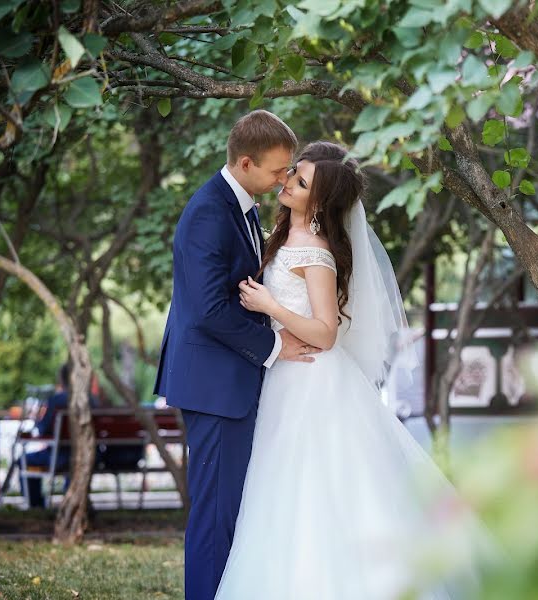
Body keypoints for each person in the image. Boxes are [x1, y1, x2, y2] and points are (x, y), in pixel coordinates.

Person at [215, 141, 486, 599]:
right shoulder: (284, 237)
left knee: (321, 486)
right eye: (294, 173)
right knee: (285, 490)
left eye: (299, 183)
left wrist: (270, 304)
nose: (288, 182)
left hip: (314, 380)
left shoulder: (316, 254)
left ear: (319, 203)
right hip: (287, 379)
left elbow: (325, 333)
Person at [153, 110, 317, 600]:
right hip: (215, 385)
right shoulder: (209, 211)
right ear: (245, 163)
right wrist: (274, 345)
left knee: (230, 511)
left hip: (227, 381)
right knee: (215, 515)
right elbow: (206, 309)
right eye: (277, 171)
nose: (284, 179)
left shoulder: (241, 205)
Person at [21, 362, 98, 508]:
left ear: (62, 380)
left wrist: (37, 422)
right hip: (89, 454)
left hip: (59, 455)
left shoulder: (56, 400)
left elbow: (43, 429)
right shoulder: (92, 400)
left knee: (24, 460)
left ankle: (36, 504)